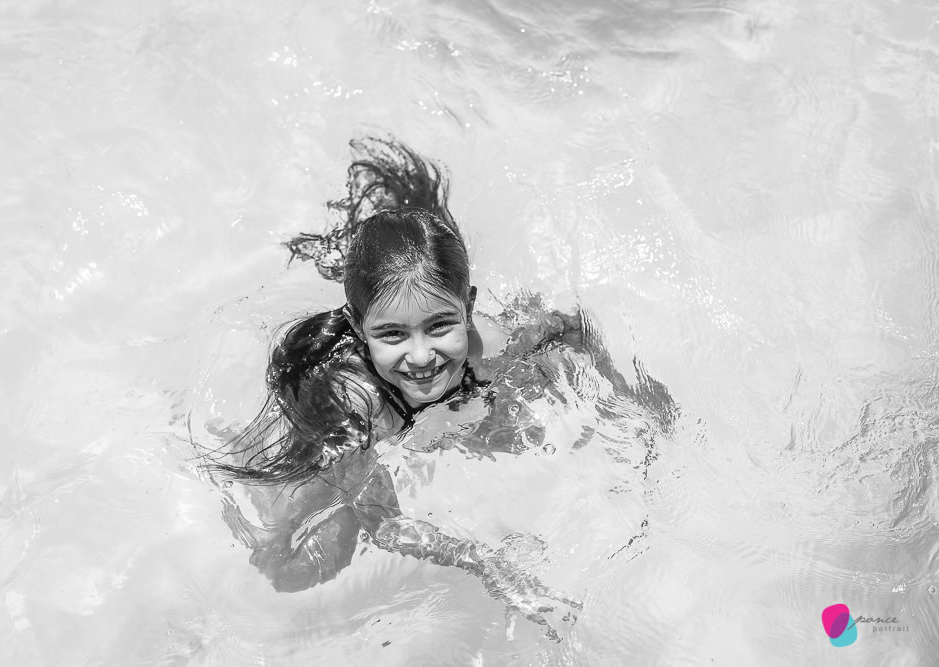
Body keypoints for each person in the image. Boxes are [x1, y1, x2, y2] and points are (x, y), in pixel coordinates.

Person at [205, 139, 675, 641]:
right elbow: (383, 524)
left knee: (513, 431)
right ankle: (240, 454)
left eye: (439, 326)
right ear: (358, 327)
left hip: (422, 404)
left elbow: (569, 326)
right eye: (392, 334)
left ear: (467, 307)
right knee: (296, 571)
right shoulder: (354, 401)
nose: (422, 356)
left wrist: (627, 398)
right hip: (329, 443)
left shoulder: (490, 343)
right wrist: (486, 564)